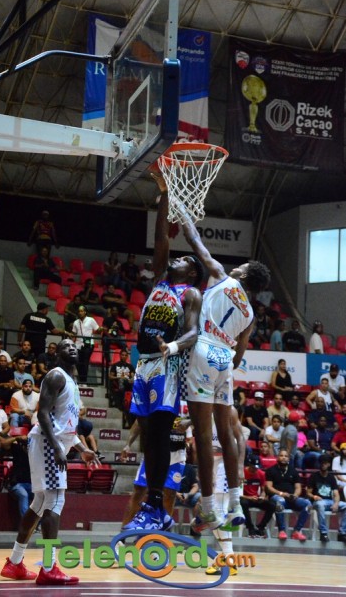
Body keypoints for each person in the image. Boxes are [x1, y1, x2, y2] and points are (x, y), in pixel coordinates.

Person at [180, 199, 270, 534]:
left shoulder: (220, 275)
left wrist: (181, 211)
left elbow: (194, 240)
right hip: (224, 360)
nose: (238, 266)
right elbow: (239, 358)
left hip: (204, 348)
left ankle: (208, 509)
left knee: (203, 436)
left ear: (243, 275)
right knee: (228, 433)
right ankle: (235, 504)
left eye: (242, 265)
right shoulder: (250, 315)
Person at [123, 184, 203, 532]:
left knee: (158, 435)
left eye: (185, 260)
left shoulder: (190, 293)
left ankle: (156, 502)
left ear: (192, 272)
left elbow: (193, 332)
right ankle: (154, 503)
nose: (177, 259)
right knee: (147, 437)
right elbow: (160, 237)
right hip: (144, 364)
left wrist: (172, 347)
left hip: (167, 366)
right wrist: (165, 193)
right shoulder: (159, 279)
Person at [0, 339, 99, 585]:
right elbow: (42, 413)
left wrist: (83, 449)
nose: (72, 347)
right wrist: (56, 447)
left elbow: (65, 424)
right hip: (47, 442)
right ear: (57, 353)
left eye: (74, 345)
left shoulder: (71, 382)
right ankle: (49, 567)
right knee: (55, 500)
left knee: (40, 503)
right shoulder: (56, 376)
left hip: (50, 441)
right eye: (66, 345)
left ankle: (14, 563)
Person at [121, 414, 193, 532]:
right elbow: (139, 420)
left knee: (170, 495)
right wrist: (128, 444)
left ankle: (159, 535)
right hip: (155, 451)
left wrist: (189, 423)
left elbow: (199, 417)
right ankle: (123, 534)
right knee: (139, 491)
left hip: (177, 455)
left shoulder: (187, 405)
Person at [204, 406, 247, 577]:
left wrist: (240, 466)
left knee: (219, 511)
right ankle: (227, 556)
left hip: (226, 463)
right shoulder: (202, 408)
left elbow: (240, 438)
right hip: (211, 463)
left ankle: (229, 560)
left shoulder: (230, 410)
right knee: (212, 514)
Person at [265, 449, 311, 541]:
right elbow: (268, 487)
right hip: (277, 497)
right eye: (281, 456)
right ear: (277, 457)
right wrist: (281, 494)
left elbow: (298, 487)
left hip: (291, 498)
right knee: (280, 501)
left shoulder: (293, 471)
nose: (283, 458)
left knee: (308, 504)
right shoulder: (271, 470)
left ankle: (296, 531)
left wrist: (295, 495)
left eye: (286, 456)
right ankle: (281, 530)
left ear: (289, 459)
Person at [306, 453, 346, 542]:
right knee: (320, 505)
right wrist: (314, 496)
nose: (323, 465)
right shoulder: (314, 476)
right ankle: (323, 533)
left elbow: (336, 494)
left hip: (329, 501)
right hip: (317, 502)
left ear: (328, 464)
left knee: (345, 506)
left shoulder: (331, 478)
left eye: (325, 463)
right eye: (322, 463)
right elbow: (308, 493)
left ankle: (342, 533)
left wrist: (336, 504)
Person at [240, 453, 275, 538]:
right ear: (249, 465)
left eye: (256, 467)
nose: (255, 469)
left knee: (272, 505)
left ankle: (261, 527)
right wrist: (249, 498)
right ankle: (250, 527)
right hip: (244, 497)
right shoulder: (242, 473)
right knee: (243, 503)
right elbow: (238, 493)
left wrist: (262, 496)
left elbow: (263, 490)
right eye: (253, 467)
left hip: (255, 498)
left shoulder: (261, 474)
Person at [72, 305, 102, 384]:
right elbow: (74, 334)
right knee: (78, 362)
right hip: (78, 345)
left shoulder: (91, 320)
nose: (80, 312)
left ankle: (84, 381)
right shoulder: (75, 322)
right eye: (79, 311)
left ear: (85, 312)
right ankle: (81, 380)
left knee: (85, 362)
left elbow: (97, 330)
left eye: (82, 311)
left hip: (89, 344)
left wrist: (101, 329)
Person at [8, 438, 33, 520]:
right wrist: (16, 438)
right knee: (24, 495)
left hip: (31, 485)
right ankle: (27, 523)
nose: (28, 449)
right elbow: (4, 444)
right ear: (23, 446)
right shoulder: (18, 451)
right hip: (17, 484)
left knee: (41, 496)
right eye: (26, 446)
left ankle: (38, 524)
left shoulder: (35, 455)